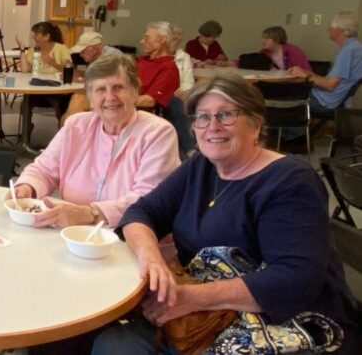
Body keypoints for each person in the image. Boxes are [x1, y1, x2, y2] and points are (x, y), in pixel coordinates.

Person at [92, 72, 360, 354]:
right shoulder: (200, 167)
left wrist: (193, 298)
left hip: (286, 322)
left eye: (226, 114)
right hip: (202, 314)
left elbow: (294, 279)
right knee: (112, 343)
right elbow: (141, 213)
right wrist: (151, 259)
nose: (213, 127)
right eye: (202, 117)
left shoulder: (289, 181)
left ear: (256, 124)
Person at [7, 51, 179, 230]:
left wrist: (90, 214)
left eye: (118, 87)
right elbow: (44, 169)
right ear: (90, 99)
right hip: (74, 236)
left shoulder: (158, 133)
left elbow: (148, 198)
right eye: (101, 89)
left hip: (131, 235)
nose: (110, 97)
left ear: (135, 92)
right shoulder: (76, 126)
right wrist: (27, 188)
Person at [288, 12, 362, 115]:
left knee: (282, 98)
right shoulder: (356, 47)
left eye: (331, 27)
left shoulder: (348, 51)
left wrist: (304, 75)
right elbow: (329, 80)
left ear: (339, 31)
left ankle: (291, 131)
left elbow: (329, 85)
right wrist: (305, 72)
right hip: (331, 98)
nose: (328, 30)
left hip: (324, 100)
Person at [59, 31, 123, 126]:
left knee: (77, 100)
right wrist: (76, 74)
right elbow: (93, 76)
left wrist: (81, 80)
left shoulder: (112, 57)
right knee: (66, 114)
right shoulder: (96, 57)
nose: (80, 54)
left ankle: (70, 135)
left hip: (112, 97)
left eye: (82, 51)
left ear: (94, 49)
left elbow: (106, 82)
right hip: (100, 93)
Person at [135, 22, 180, 110]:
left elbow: (150, 101)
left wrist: (120, 102)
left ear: (162, 39)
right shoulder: (141, 60)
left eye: (147, 38)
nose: (142, 41)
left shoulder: (169, 68)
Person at [169, 23, 196, 157]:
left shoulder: (184, 56)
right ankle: (189, 148)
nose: (176, 42)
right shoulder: (154, 56)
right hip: (162, 94)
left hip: (180, 93)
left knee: (181, 104)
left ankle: (191, 149)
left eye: (178, 39)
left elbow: (188, 81)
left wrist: (183, 92)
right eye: (173, 38)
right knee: (177, 105)